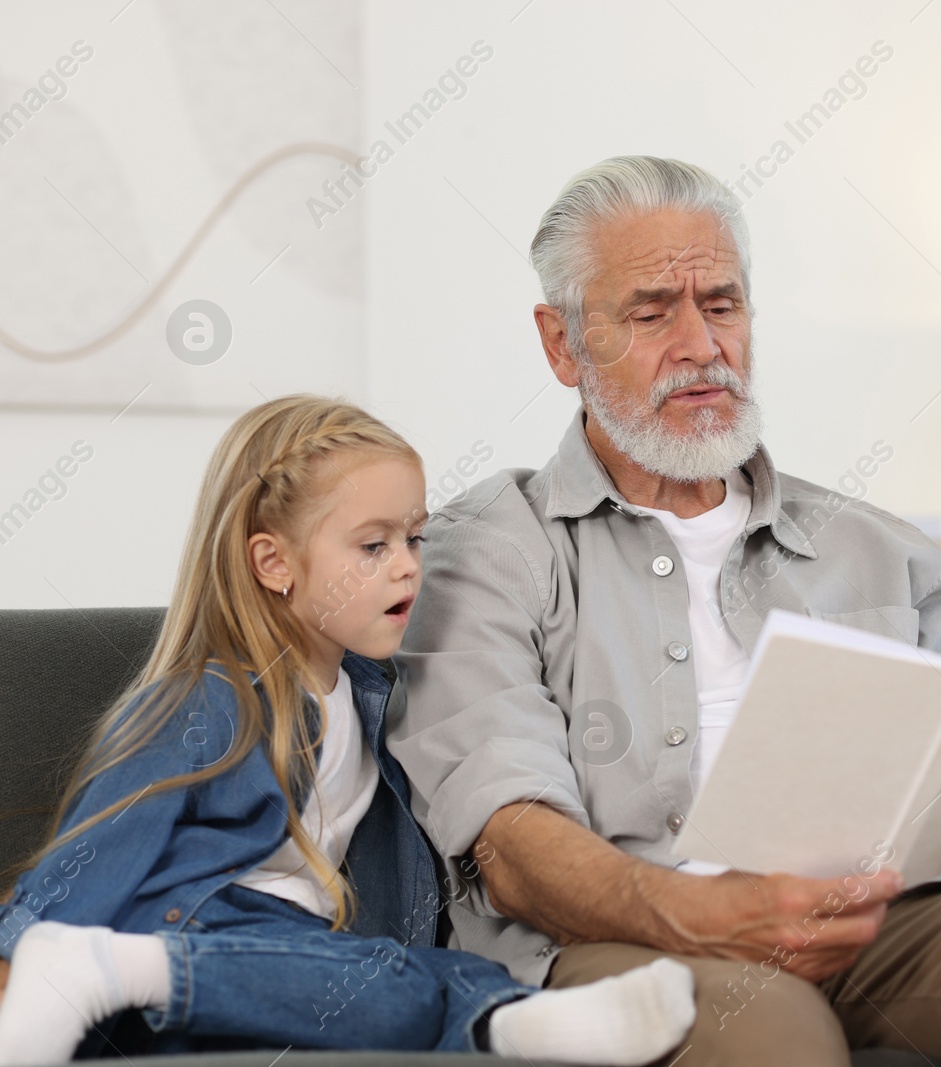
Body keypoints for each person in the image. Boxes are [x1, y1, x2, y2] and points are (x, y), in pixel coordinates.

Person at [388, 156, 941, 1066]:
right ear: (562, 343)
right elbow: (512, 842)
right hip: (624, 943)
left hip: (872, 921)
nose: (700, 345)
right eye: (652, 313)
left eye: (721, 305)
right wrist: (705, 915)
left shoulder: (888, 553)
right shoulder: (484, 550)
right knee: (764, 1022)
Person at [0, 396, 695, 1065]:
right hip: (199, 934)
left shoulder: (375, 698)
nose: (407, 564)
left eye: (414, 537)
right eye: (373, 545)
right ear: (274, 563)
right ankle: (504, 1020)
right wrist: (20, 948)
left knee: (393, 978)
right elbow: (101, 843)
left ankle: (497, 1015)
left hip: (292, 967)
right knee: (383, 982)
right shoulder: (212, 701)